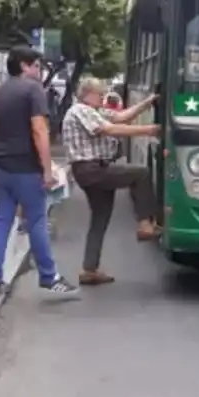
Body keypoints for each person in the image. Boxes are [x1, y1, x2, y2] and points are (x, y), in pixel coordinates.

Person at [0, 46, 77, 297]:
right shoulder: (33, 90)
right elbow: (39, 130)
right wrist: (47, 169)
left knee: (2, 219)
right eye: (36, 65)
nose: (39, 70)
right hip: (24, 166)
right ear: (24, 66)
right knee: (36, 219)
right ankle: (49, 276)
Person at [62, 77, 160, 286]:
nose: (102, 98)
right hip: (92, 169)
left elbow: (122, 117)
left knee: (100, 217)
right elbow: (110, 130)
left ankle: (90, 269)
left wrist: (148, 101)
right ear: (88, 94)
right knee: (140, 173)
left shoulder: (95, 112)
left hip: (94, 169)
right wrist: (148, 130)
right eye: (100, 94)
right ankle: (145, 224)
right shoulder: (81, 110)